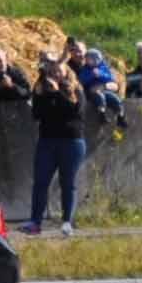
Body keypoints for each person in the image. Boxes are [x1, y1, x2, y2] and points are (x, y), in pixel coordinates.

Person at [23, 56, 89, 234]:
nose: (56, 75)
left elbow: (74, 111)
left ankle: (67, 221)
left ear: (66, 72)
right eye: (52, 73)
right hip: (47, 141)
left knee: (67, 182)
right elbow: (36, 114)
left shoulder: (76, 90)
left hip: (71, 142)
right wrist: (44, 94)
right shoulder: (43, 91)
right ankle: (35, 221)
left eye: (59, 71)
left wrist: (58, 92)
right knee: (40, 182)